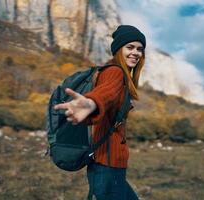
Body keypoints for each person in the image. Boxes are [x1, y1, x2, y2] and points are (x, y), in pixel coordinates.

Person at [54, 25, 146, 200]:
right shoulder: (115, 72)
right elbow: (105, 93)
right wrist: (91, 103)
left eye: (140, 49)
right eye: (130, 47)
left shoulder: (117, 74)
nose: (136, 53)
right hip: (107, 164)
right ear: (119, 49)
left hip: (108, 164)